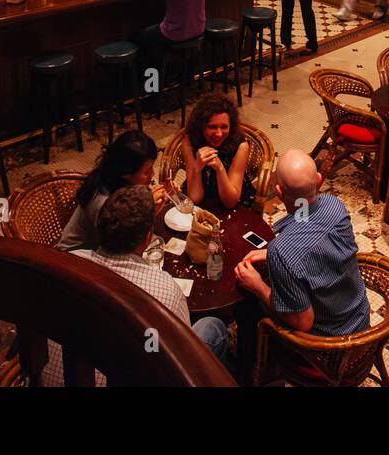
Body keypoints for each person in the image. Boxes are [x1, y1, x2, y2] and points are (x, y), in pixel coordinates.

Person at [71, 185, 233, 373]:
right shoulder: (165, 289)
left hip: (57, 373)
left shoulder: (72, 260)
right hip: (145, 374)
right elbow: (182, 350)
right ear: (148, 238)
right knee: (213, 326)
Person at [233, 149, 370, 337]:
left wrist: (258, 286)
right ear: (319, 180)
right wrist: (272, 255)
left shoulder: (282, 252)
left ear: (279, 192)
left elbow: (303, 322)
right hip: (360, 318)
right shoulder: (335, 206)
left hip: (331, 341)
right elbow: (307, 223)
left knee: (246, 307)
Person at [56, 131, 163, 251]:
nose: (153, 174)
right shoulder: (103, 202)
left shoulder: (124, 182)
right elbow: (122, 245)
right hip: (74, 257)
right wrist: (148, 210)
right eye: (147, 172)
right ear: (126, 173)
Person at [179, 92, 254, 209]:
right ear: (201, 126)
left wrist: (220, 169)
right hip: (201, 203)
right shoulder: (189, 142)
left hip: (233, 201)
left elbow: (230, 202)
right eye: (212, 127)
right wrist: (197, 168)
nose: (219, 134)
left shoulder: (241, 146)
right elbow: (195, 198)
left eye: (224, 127)